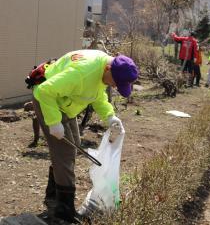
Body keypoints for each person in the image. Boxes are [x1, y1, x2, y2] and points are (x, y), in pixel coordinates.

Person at [30, 50, 138, 223]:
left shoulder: (103, 69)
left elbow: (97, 92)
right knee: (65, 153)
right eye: (116, 83)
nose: (116, 87)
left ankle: (52, 197)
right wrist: (53, 122)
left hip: (64, 102)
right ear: (108, 68)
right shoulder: (83, 72)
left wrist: (109, 115)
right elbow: (44, 92)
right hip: (48, 100)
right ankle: (63, 212)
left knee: (72, 148)